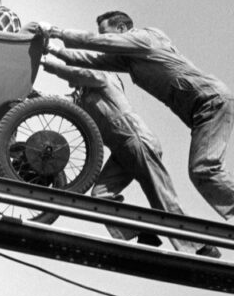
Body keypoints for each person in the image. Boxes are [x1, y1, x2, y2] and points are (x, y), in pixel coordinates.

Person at [31, 12, 234, 231]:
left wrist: (55, 31)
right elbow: (91, 58)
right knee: (211, 173)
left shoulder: (145, 38)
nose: (104, 39)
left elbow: (97, 46)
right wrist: (52, 50)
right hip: (202, 109)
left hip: (211, 100)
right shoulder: (132, 61)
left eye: (107, 33)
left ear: (123, 28)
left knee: (203, 171)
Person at [40, 52, 220, 257]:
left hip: (136, 141)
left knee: (161, 197)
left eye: (73, 69)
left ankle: (201, 246)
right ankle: (142, 231)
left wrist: (51, 64)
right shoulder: (83, 96)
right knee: (100, 196)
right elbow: (60, 102)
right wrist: (32, 96)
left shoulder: (103, 76)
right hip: (122, 150)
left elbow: (87, 74)